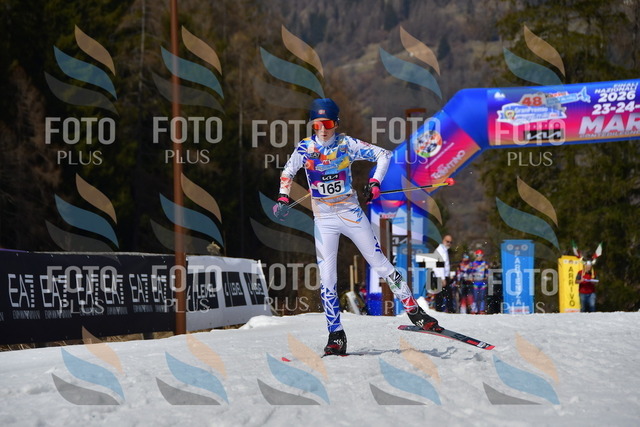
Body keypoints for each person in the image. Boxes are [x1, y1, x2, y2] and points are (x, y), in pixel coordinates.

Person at [273, 98, 442, 355]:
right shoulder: (305, 148)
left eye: (328, 123)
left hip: (350, 213)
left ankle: (415, 312)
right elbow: (287, 172)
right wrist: (283, 198)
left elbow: (384, 155)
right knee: (328, 278)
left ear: (336, 123)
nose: (323, 129)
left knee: (379, 263)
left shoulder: (347, 144)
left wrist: (375, 182)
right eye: (317, 124)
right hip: (324, 219)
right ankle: (336, 335)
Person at [433, 235, 454, 312]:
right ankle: (443, 309)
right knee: (442, 294)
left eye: (450, 242)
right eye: (447, 241)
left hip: (444, 276)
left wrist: (449, 274)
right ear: (443, 241)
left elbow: (446, 265)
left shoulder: (445, 250)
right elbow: (440, 266)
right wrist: (442, 278)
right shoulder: (440, 250)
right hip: (440, 276)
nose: (449, 243)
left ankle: (446, 309)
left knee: (446, 293)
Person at [470, 249, 489, 314]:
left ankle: (482, 310)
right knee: (475, 297)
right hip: (476, 282)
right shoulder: (473, 263)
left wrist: (487, 273)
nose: (479, 257)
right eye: (478, 255)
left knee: (482, 296)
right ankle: (474, 309)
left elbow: (487, 272)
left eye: (481, 255)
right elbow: (470, 272)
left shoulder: (485, 263)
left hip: (483, 282)